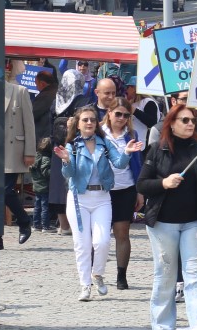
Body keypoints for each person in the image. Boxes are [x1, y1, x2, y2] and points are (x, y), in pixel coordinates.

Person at [137, 101, 197, 330]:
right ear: (172, 124)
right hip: (163, 222)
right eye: (184, 120)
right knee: (165, 273)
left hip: (194, 221)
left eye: (193, 120)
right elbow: (142, 184)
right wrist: (163, 183)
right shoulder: (157, 149)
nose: (190, 124)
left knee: (195, 274)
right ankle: (163, 327)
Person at [55, 106, 136, 301]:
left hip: (102, 197)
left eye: (92, 119)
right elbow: (69, 175)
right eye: (85, 120)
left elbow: (119, 163)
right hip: (78, 199)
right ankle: (85, 285)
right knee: (81, 244)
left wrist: (126, 152)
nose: (89, 123)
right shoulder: (72, 146)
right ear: (78, 124)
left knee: (102, 241)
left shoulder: (104, 143)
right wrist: (66, 161)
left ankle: (97, 274)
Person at [102, 102, 149, 290]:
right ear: (109, 113)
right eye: (118, 114)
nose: (122, 119)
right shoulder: (99, 132)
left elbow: (137, 163)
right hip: (102, 190)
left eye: (126, 115)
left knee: (122, 233)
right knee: (99, 236)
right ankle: (92, 273)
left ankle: (121, 275)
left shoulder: (131, 135)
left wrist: (139, 191)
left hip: (125, 188)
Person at [4, 69, 37, 245]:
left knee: (5, 191)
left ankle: (24, 222)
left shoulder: (19, 91)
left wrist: (29, 151)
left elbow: (29, 124)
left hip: (12, 151)